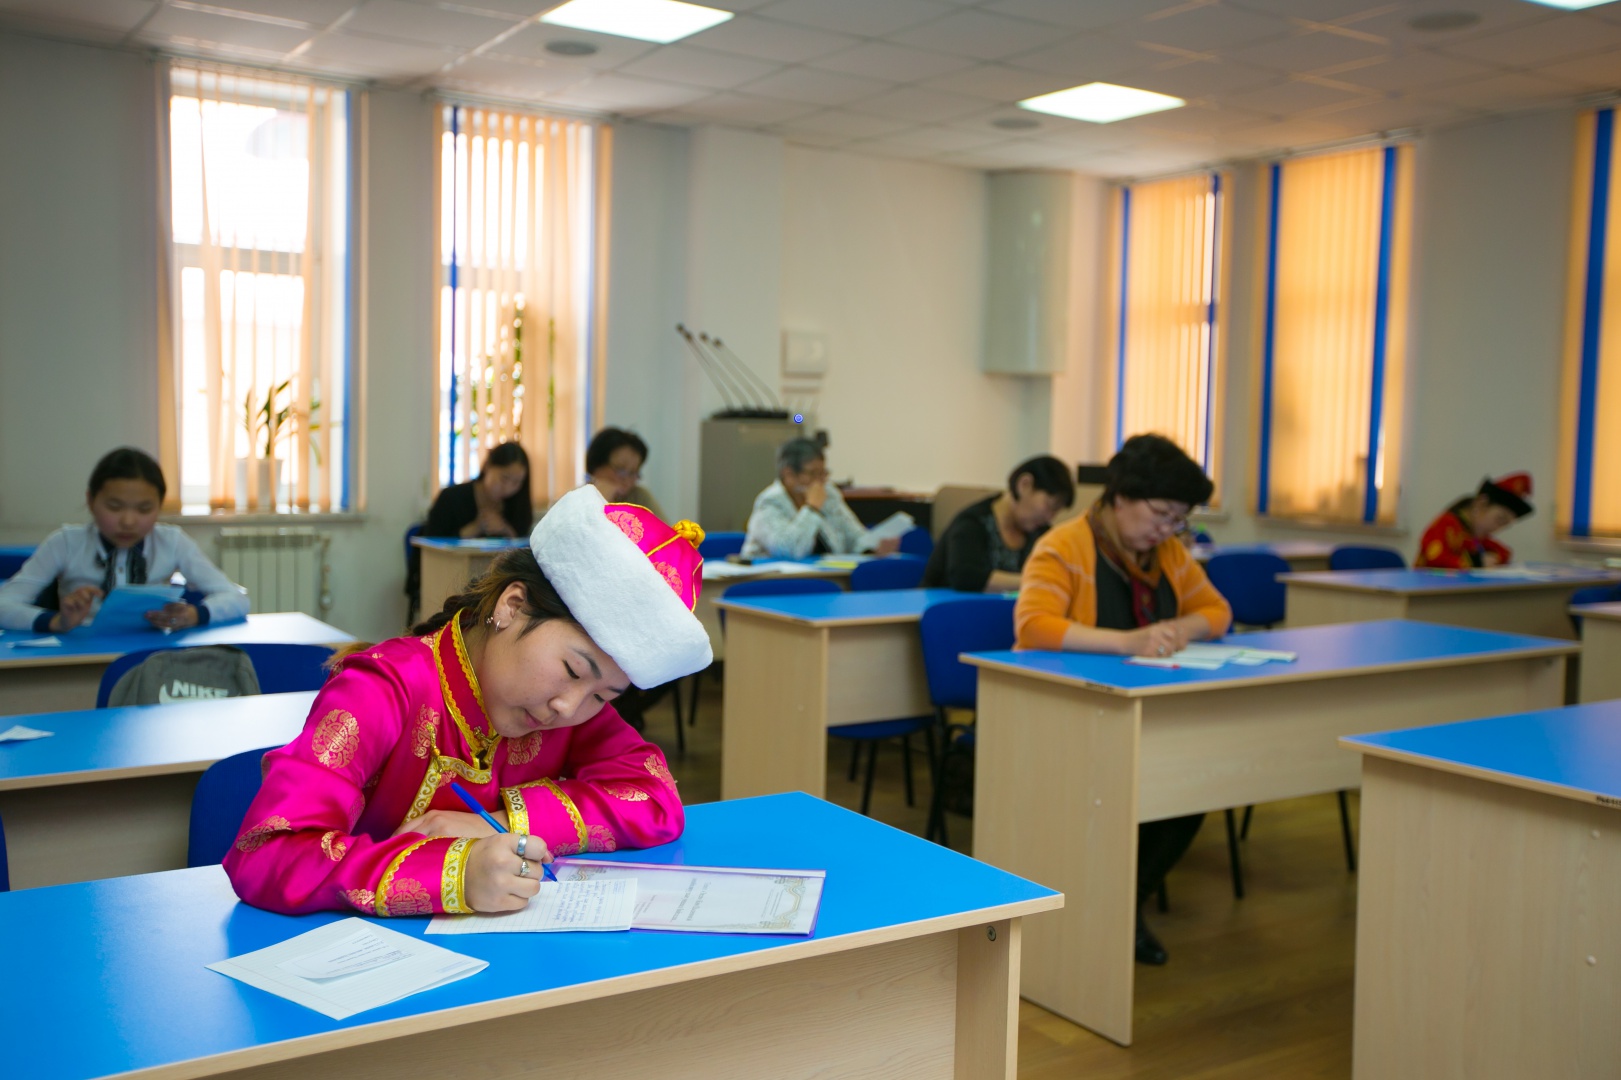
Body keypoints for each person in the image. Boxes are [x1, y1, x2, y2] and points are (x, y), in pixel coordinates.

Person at [224, 486, 712, 916]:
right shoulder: (383, 689)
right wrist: (457, 873)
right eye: (572, 670)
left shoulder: (570, 713)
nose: (569, 708)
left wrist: (504, 824)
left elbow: (656, 798)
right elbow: (267, 851)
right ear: (512, 606)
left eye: (603, 695)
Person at [1014, 433, 1233, 967]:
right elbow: (1034, 625)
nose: (1166, 529)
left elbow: (1218, 612)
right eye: (1160, 513)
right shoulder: (1064, 546)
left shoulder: (1169, 555)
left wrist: (1180, 628)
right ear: (1119, 497)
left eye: (1177, 519)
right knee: (1124, 785)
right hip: (1066, 712)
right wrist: (1125, 641)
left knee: (1190, 786)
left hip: (1142, 713)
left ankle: (1124, 901)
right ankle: (1104, 907)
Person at [0, 447, 249, 633]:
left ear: (159, 506)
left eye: (144, 509)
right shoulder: (65, 543)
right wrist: (56, 621)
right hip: (75, 654)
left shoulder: (171, 541)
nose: (128, 521)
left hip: (151, 656)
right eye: (114, 507)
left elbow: (237, 598)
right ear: (90, 501)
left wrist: (195, 614)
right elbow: (4, 605)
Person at [923, 455, 1075, 592]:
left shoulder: (1040, 533)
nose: (1049, 517)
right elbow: (966, 577)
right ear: (1024, 485)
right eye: (1050, 506)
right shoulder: (973, 523)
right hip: (951, 610)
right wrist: (1035, 580)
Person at [742, 437, 901, 560]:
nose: (820, 481)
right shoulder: (770, 503)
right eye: (813, 474)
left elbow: (854, 536)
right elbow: (789, 551)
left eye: (823, 473)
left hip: (825, 576)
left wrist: (872, 547)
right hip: (773, 582)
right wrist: (812, 509)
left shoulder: (829, 494)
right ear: (788, 474)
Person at [1414, 473, 1533, 569]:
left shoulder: (1475, 537)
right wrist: (1477, 562)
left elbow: (1504, 552)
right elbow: (1436, 559)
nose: (1498, 528)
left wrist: (1490, 559)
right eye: (1500, 519)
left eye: (1505, 524)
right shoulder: (1446, 524)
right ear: (1481, 504)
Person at [422, 442, 532, 540]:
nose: (508, 488)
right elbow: (430, 544)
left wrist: (506, 530)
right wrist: (475, 528)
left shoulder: (518, 503)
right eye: (504, 478)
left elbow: (524, 544)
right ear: (487, 466)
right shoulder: (451, 498)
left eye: (516, 482)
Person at [585, 427, 665, 521]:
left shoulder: (639, 497)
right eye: (620, 470)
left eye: (633, 473)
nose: (627, 480)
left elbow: (666, 530)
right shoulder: (578, 497)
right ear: (597, 466)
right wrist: (598, 501)